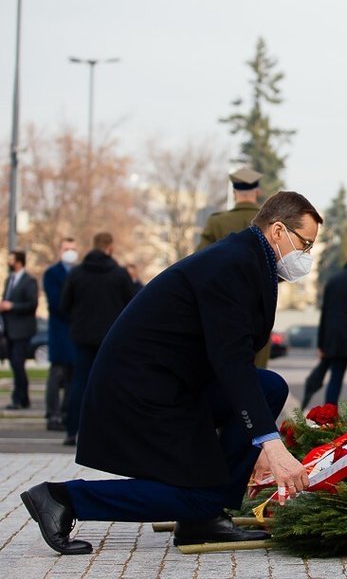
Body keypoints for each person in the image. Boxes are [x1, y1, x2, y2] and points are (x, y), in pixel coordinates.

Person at [20, 191, 320, 555]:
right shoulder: (233, 264)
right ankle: (63, 498)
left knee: (269, 386)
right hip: (142, 391)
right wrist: (270, 445)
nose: (305, 256)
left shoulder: (246, 259)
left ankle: (207, 511)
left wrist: (256, 440)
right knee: (195, 496)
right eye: (304, 244)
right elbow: (231, 361)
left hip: (173, 382)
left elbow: (234, 361)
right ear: (277, 230)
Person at [60, 233, 137, 446]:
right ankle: (106, 431)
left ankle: (73, 429)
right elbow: (133, 304)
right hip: (110, 337)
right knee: (109, 383)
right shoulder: (119, 274)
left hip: (82, 336)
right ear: (109, 248)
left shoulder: (76, 273)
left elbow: (64, 305)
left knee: (79, 383)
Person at [197, 166, 271, 368]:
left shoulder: (217, 222)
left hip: (221, 305)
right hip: (260, 306)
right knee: (257, 374)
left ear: (234, 192)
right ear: (257, 192)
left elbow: (199, 262)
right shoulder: (272, 224)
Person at [302, 241, 347, 408]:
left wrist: (321, 344)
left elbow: (325, 315)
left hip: (336, 339)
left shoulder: (333, 281)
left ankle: (329, 417)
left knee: (335, 380)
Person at [42, 239, 80, 431]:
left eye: (73, 249)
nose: (70, 253)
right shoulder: (52, 273)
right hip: (60, 330)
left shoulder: (79, 272)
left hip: (75, 331)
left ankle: (67, 413)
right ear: (60, 251)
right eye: (66, 249)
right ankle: (53, 414)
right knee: (56, 375)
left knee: (73, 376)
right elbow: (56, 303)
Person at [1, 250, 38, 410]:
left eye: (11, 259)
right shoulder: (10, 280)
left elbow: (32, 304)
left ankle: (20, 397)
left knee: (17, 363)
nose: (9, 262)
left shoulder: (29, 281)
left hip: (23, 330)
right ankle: (22, 398)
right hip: (9, 329)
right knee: (15, 364)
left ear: (19, 262)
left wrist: (13, 306)